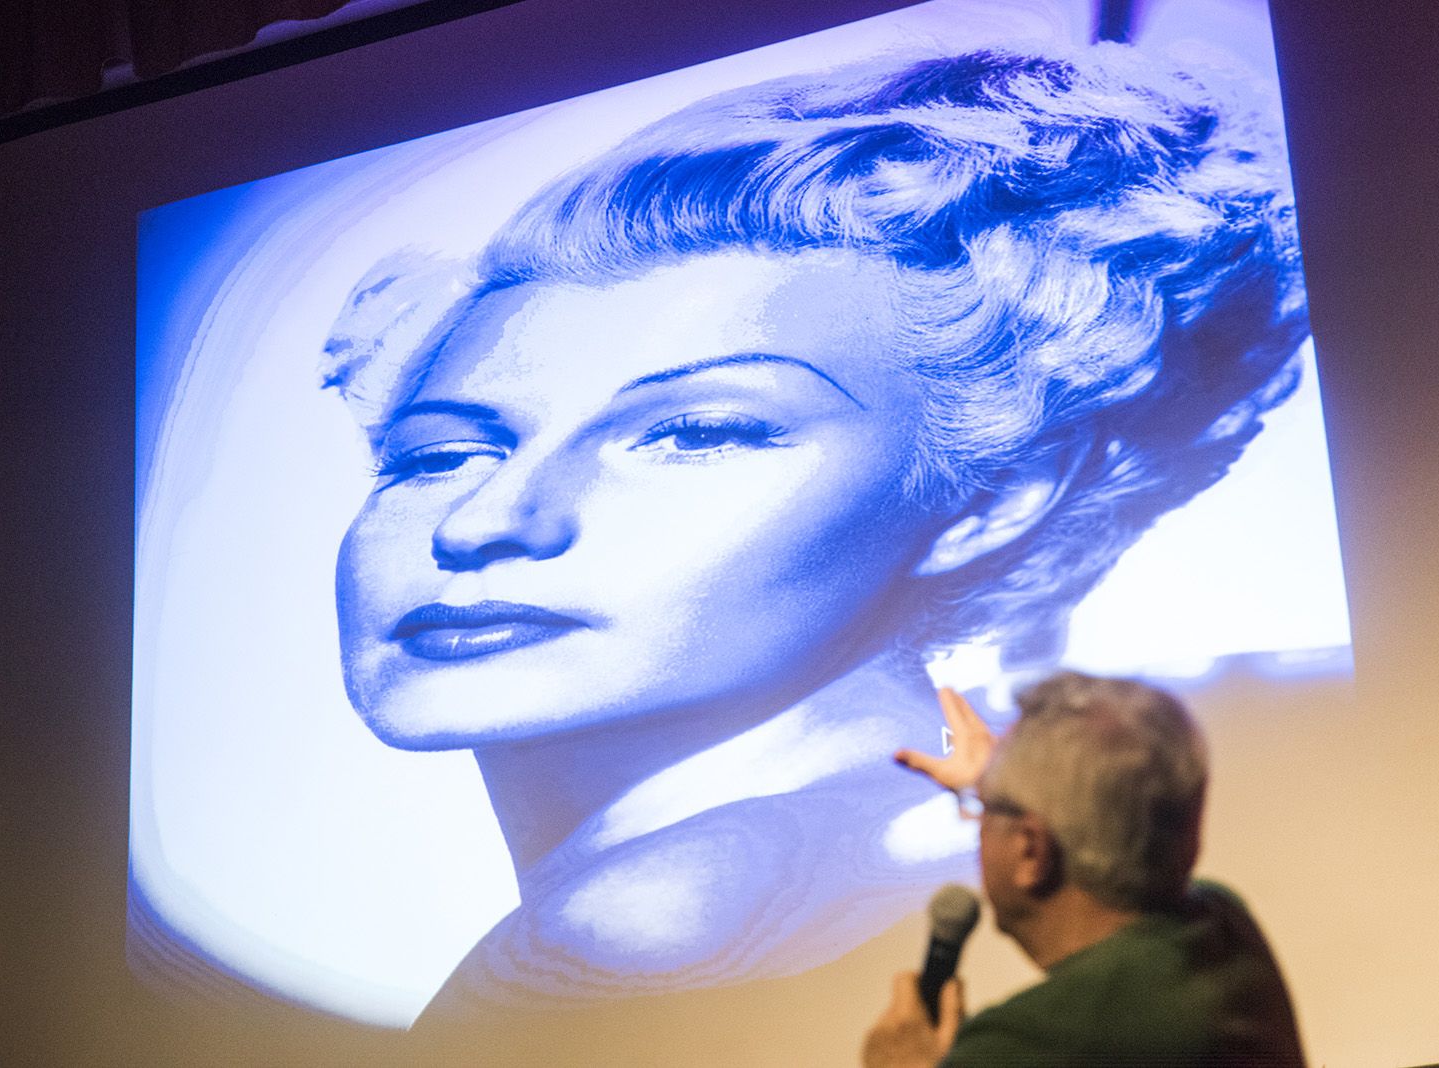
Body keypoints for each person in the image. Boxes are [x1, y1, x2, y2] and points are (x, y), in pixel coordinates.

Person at [319, 43, 1310, 1018]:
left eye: (698, 433)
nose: (484, 521)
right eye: (437, 455)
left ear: (996, 496)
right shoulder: (974, 842)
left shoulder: (647, 924)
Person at [864, 674, 1306, 1066]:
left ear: (1031, 852)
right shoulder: (1222, 923)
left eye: (982, 809)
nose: (978, 819)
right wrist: (1008, 788)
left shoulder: (1022, 1046)